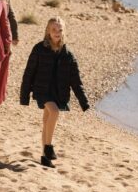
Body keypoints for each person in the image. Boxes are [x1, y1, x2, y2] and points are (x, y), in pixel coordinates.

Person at [19, 17, 88, 167]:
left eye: (60, 30)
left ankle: (45, 157)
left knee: (46, 122)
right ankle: (49, 148)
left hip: (58, 92)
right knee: (54, 112)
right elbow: (29, 73)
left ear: (64, 32)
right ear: (48, 31)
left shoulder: (68, 55)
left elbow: (75, 81)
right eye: (54, 30)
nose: (57, 32)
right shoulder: (39, 49)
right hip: (42, 90)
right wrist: (24, 96)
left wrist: (84, 101)